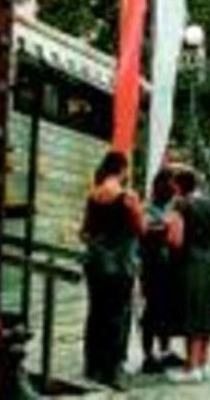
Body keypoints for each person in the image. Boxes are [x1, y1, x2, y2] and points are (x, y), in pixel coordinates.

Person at [79, 150, 144, 391]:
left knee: (96, 312)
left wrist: (99, 242)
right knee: (118, 314)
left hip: (95, 263)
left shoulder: (93, 195)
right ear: (122, 169)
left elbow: (83, 231)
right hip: (121, 263)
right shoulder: (128, 197)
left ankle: (92, 366)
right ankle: (112, 368)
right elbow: (140, 229)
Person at [163, 167, 210, 384]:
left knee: (193, 316)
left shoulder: (180, 204)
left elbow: (176, 239)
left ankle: (191, 367)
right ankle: (203, 364)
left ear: (179, 185)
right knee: (207, 316)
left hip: (190, 264)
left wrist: (164, 231)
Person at [138, 167, 182, 374]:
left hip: (170, 267)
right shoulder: (147, 207)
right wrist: (165, 227)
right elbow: (143, 230)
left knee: (168, 309)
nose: (174, 189)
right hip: (152, 266)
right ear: (161, 186)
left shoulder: (172, 207)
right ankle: (148, 355)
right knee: (152, 311)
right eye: (171, 184)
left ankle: (165, 351)